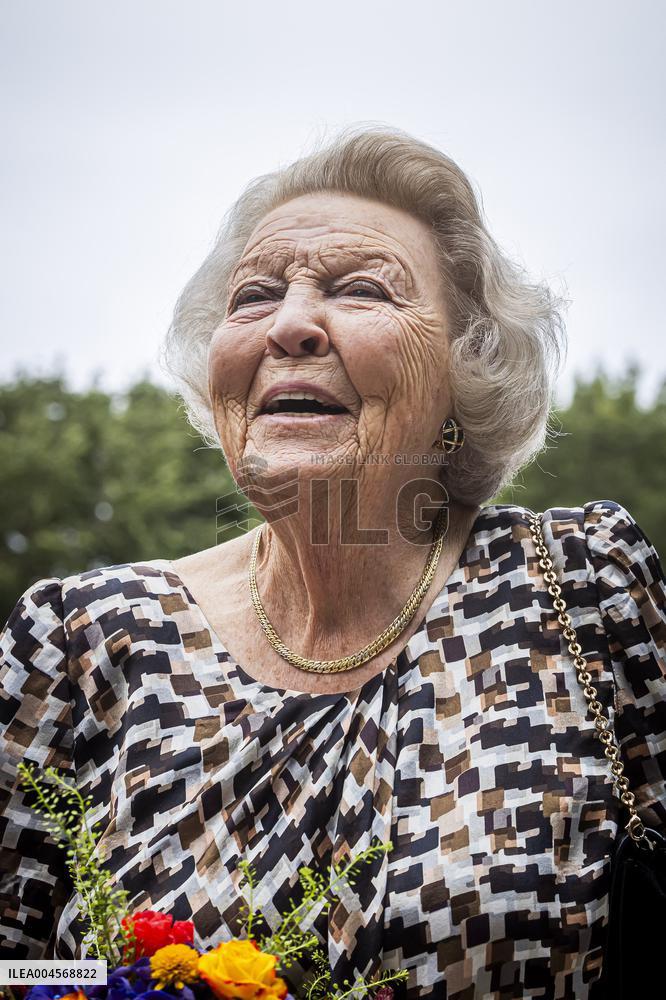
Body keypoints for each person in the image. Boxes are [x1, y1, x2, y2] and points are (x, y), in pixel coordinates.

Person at [1, 125, 665, 999]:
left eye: (360, 291)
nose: (290, 326)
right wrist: (131, 985)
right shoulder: (79, 645)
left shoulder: (583, 584)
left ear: (464, 374)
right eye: (254, 297)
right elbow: (16, 963)